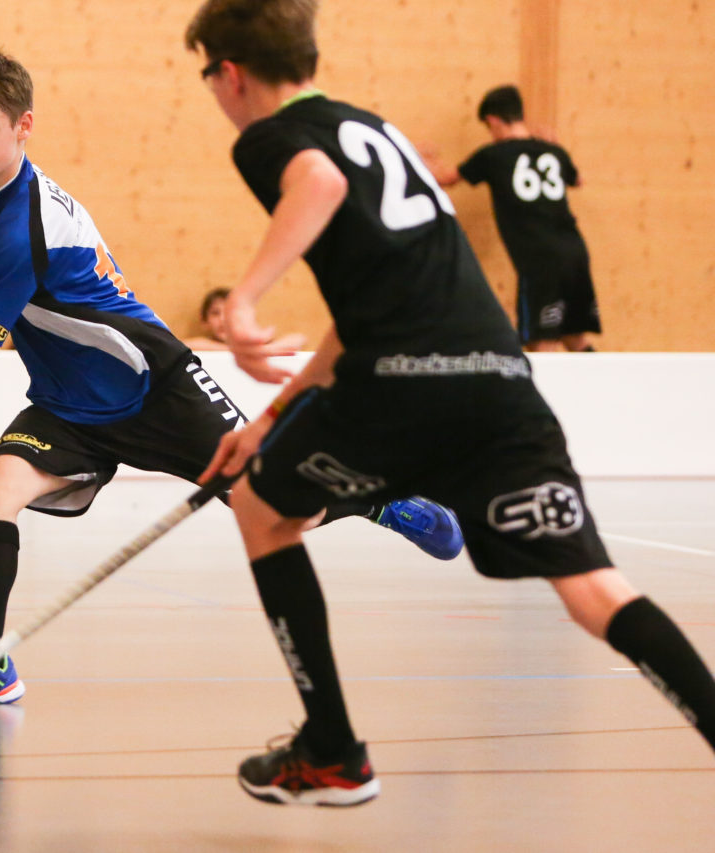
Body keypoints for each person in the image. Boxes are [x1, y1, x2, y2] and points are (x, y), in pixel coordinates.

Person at [185, 0, 715, 808]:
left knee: (261, 508)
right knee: (594, 587)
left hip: (400, 382)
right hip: (499, 381)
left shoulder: (271, 138)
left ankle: (332, 748)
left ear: (230, 73)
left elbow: (316, 182)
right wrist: (268, 417)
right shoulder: (377, 128)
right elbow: (363, 307)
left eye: (210, 79)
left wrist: (246, 301)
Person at [0, 51, 463, 711]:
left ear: (24, 127)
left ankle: (381, 498)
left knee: (280, 507)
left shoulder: (26, 232)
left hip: (155, 383)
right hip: (69, 403)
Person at [423, 85, 600, 352]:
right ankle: (599, 389)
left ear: (493, 121)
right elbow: (578, 180)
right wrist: (555, 147)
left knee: (542, 340)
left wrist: (420, 159)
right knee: (574, 337)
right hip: (575, 251)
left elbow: (445, 179)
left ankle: (547, 395)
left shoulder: (492, 155)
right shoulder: (552, 151)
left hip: (540, 259)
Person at [184, 286, 306, 352]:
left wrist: (263, 349)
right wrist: (241, 352)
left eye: (229, 312)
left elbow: (299, 339)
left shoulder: (260, 345)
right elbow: (186, 345)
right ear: (204, 322)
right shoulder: (204, 346)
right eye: (216, 313)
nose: (223, 319)